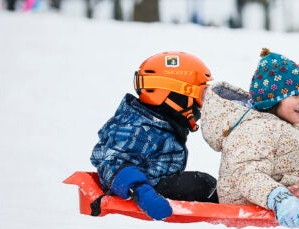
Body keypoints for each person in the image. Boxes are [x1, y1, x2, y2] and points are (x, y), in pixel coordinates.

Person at [200, 48, 299, 228]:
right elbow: (247, 174)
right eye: (295, 95)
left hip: (282, 197)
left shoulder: (292, 126)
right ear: (271, 100)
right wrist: (279, 198)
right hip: (248, 205)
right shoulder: (255, 128)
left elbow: (294, 173)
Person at [90, 52, 218, 220]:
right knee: (202, 184)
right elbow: (112, 162)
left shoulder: (157, 124)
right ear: (174, 94)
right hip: (142, 195)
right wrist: (142, 192)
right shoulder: (139, 129)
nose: (202, 105)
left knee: (208, 185)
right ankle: (227, 215)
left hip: (150, 189)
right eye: (201, 96)